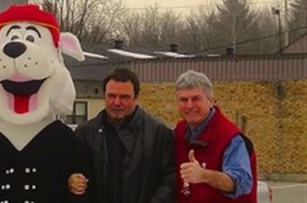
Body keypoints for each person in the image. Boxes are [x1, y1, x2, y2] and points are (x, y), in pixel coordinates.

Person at [69, 68, 176, 202]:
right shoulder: (85, 133)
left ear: (136, 98)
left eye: (124, 97)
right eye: (111, 96)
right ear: (104, 96)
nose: (117, 102)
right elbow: (72, 171)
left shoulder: (159, 134)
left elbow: (170, 181)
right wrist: (71, 181)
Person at [174, 70, 257, 202]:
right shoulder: (177, 132)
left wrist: (204, 175)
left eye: (196, 99)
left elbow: (242, 182)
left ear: (210, 101)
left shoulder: (231, 138)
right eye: (184, 100)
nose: (189, 105)